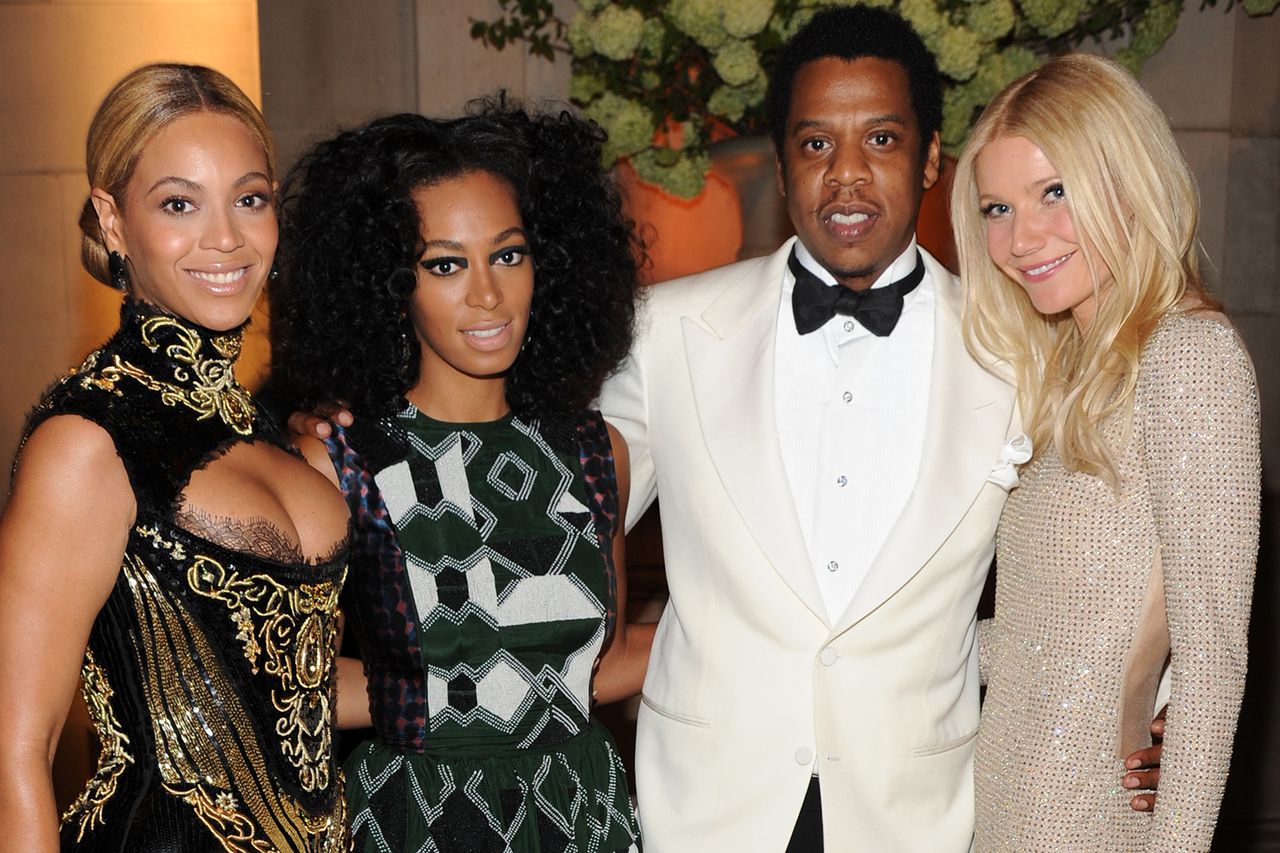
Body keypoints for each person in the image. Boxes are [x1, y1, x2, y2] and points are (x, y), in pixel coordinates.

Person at [596, 8, 1164, 852]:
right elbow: (555, 506)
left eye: (884, 141)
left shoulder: (1024, 351)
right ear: (782, 161)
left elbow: (1113, 541)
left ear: (933, 158)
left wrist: (1154, 698)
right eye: (817, 144)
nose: (847, 176)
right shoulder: (666, 330)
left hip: (921, 812)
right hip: (705, 808)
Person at [267, 105, 651, 853]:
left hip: (582, 815)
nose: (487, 294)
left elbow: (590, 669)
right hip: (419, 817)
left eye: (508, 254)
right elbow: (282, 687)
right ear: (389, 281)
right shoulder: (341, 459)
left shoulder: (596, 450)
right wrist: (425, 699)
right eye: (445, 263)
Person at [0, 64, 351, 851]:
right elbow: (14, 750)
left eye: (250, 198)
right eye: (179, 203)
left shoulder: (269, 426)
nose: (225, 237)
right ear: (112, 220)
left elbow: (294, 689)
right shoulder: (88, 440)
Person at [950, 53, 1260, 851]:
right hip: (1003, 799)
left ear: (1127, 179)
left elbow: (1213, 663)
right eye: (997, 208)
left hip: (1092, 819)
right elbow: (1041, 636)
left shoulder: (1189, 356)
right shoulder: (1062, 371)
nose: (1023, 238)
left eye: (1055, 192)